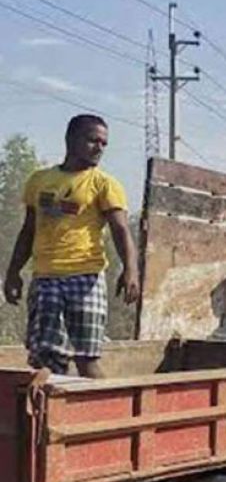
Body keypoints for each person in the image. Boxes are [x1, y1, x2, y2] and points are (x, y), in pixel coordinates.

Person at [3, 115, 138, 378]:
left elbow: (121, 230)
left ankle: (106, 414)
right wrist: (12, 272)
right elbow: (28, 230)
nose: (99, 147)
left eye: (104, 143)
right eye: (92, 140)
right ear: (70, 140)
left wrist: (130, 268)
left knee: (86, 358)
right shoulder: (39, 181)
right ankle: (49, 415)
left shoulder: (104, 184)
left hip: (85, 277)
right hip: (45, 278)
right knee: (46, 361)